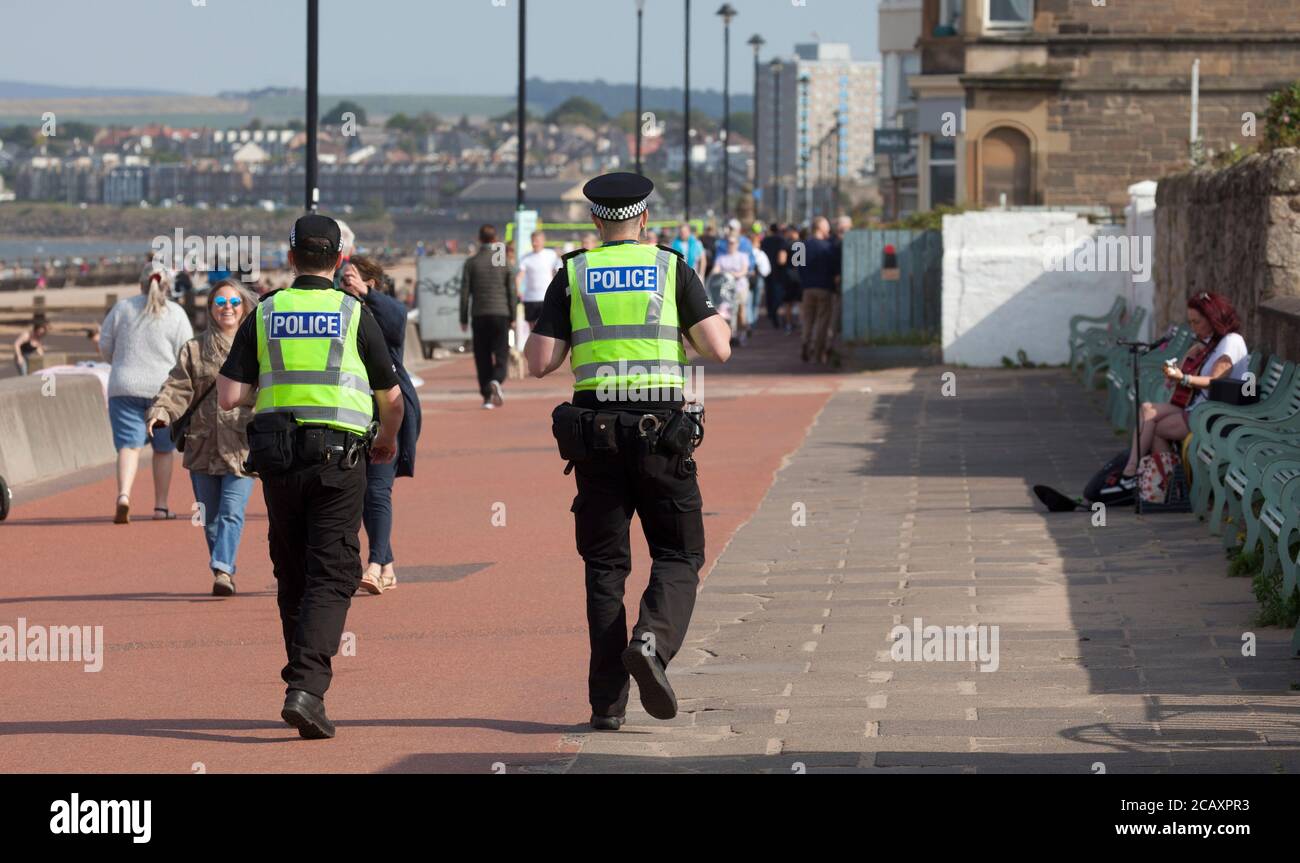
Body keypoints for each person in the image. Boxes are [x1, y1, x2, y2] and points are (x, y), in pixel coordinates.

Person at [524, 172, 732, 732]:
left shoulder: (571, 272)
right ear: (644, 219)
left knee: (605, 568)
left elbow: (537, 362)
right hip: (660, 429)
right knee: (679, 553)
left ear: (596, 221)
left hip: (595, 437)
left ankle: (606, 705)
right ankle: (652, 641)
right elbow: (719, 347)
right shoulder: (670, 267)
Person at [216, 214, 404, 739]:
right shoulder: (353, 312)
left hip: (278, 458)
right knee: (335, 571)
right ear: (340, 259)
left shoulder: (267, 310)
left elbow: (230, 395)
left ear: (292, 257)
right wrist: (386, 439)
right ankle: (306, 688)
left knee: (292, 570)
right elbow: (390, 398)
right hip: (339, 460)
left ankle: (301, 682)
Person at [146, 280, 256, 597]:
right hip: (202, 444)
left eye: (234, 302)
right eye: (220, 301)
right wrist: (162, 411)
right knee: (209, 518)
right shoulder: (194, 350)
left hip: (241, 446)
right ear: (210, 308)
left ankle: (222, 569)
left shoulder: (257, 351)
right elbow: (178, 387)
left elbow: (270, 391)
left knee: (232, 511)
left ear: (244, 308)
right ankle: (223, 567)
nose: (228, 308)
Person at [341, 254, 422, 595]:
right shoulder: (340, 311)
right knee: (360, 492)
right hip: (350, 409)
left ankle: (374, 564)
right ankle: (386, 564)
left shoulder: (381, 311)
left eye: (351, 278)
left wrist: (365, 293)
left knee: (377, 488)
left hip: (388, 409)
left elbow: (398, 319)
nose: (344, 284)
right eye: (341, 279)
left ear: (370, 282)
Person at [1111, 292, 1249, 494]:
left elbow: (1215, 382)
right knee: (1147, 410)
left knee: (1157, 430)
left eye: (1197, 322)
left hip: (1213, 414)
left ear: (1213, 318)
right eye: (1190, 322)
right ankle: (1140, 474)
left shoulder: (1231, 341)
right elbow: (1190, 372)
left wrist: (1182, 378)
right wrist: (1186, 358)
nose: (1194, 327)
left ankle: (1165, 484)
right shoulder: (1211, 343)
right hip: (1198, 406)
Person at [100, 261, 194, 523]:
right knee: (163, 450)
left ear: (140, 284)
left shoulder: (122, 309)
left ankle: (123, 496)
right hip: (162, 390)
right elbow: (186, 352)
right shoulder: (175, 313)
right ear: (167, 286)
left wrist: (118, 363)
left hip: (123, 386)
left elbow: (105, 345)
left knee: (129, 447)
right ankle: (161, 507)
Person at [459, 224, 516, 410]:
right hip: (501, 313)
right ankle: (497, 379)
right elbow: (511, 291)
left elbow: (465, 293)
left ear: (479, 239)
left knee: (482, 355)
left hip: (479, 314)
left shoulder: (472, 262)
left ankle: (486, 397)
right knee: (501, 352)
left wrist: (463, 318)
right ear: (495, 238)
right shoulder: (503, 261)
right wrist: (513, 315)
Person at [799, 216, 840, 365]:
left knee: (807, 319)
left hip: (807, 288)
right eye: (827, 226)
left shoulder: (801, 245)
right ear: (821, 228)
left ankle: (805, 341)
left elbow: (797, 267)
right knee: (823, 321)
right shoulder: (829, 247)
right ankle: (818, 352)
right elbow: (836, 270)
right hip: (824, 287)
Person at [713, 234, 752, 345]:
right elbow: (716, 270)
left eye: (733, 243)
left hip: (740, 287)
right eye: (729, 243)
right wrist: (716, 274)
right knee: (727, 312)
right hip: (726, 290)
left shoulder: (742, 256)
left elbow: (744, 270)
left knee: (740, 312)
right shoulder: (721, 257)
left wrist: (734, 274)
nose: (731, 245)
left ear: (737, 244)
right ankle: (732, 335)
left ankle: (744, 330)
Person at [516, 230, 560, 326]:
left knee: (546, 327)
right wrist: (518, 290)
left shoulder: (551, 255)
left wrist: (557, 291)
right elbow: (520, 276)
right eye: (533, 240)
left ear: (543, 241)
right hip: (530, 298)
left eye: (537, 240)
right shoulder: (525, 257)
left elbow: (556, 273)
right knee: (532, 328)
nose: (534, 243)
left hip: (546, 297)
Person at [760, 223, 789, 330]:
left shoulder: (765, 241)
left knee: (769, 292)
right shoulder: (781, 241)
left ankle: (770, 312)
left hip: (767, 271)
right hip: (779, 272)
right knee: (778, 294)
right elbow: (782, 259)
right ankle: (774, 312)